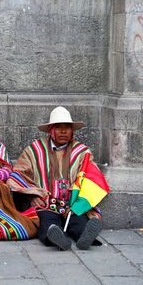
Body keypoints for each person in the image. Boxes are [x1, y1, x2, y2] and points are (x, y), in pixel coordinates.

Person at [13, 106, 104, 250]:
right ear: (51, 130)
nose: (63, 131)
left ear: (72, 131)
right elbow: (17, 174)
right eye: (58, 127)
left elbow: (91, 177)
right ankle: (57, 238)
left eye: (67, 127)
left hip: (72, 204)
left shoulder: (82, 152)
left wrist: (79, 202)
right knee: (48, 222)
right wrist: (32, 195)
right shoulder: (35, 150)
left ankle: (85, 237)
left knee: (79, 221)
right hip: (46, 203)